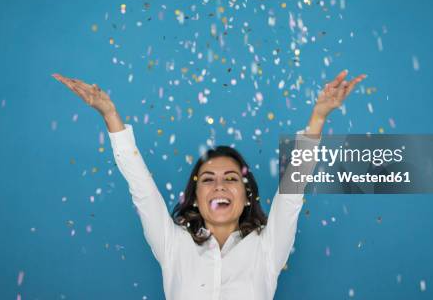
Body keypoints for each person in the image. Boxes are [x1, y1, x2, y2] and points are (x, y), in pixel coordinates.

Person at [52, 69, 366, 300]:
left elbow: (292, 193)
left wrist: (319, 118)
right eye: (208, 180)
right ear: (195, 197)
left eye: (231, 179)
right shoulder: (172, 244)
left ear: (246, 197)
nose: (219, 187)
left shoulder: (267, 248)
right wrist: (110, 115)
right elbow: (142, 189)